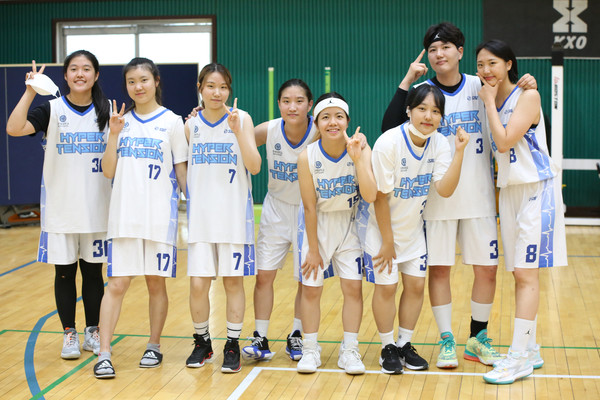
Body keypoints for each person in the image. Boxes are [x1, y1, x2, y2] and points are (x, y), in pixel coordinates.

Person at [381, 22, 536, 369]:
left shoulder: (481, 85)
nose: (439, 54)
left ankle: (477, 338)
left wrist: (527, 82)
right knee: (439, 271)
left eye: (446, 47)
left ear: (460, 51)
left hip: (479, 197)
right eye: (433, 49)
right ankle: (447, 340)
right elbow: (389, 128)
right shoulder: (422, 91)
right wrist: (407, 80)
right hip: (437, 200)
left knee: (487, 271)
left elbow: (515, 96)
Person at [6, 51, 111, 360]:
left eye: (86, 69)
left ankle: (93, 331)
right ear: (65, 76)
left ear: (96, 75)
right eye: (74, 69)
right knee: (64, 274)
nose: (80, 74)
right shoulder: (51, 109)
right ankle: (69, 334)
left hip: (97, 209)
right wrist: (29, 91)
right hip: (61, 210)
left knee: (93, 274)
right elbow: (14, 128)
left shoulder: (107, 110)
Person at [360, 84, 469, 374]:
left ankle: (404, 344)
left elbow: (445, 190)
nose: (428, 116)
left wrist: (459, 153)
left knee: (416, 286)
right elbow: (380, 197)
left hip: (412, 232)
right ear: (408, 110)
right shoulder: (388, 142)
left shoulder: (440, 143)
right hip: (382, 230)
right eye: (422, 109)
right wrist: (387, 242)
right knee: (387, 287)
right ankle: (387, 347)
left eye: (435, 111)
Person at [476, 39, 567, 384]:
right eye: (481, 65)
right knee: (518, 274)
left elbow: (503, 142)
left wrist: (488, 101)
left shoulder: (528, 96)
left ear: (509, 64)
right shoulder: (488, 97)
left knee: (527, 275)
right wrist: (488, 100)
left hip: (536, 190)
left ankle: (517, 358)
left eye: (493, 63)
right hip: (509, 191)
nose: (486, 70)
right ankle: (529, 348)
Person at [93, 57, 188, 379]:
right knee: (117, 284)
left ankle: (154, 345)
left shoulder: (172, 122)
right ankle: (104, 353)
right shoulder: (118, 121)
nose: (138, 86)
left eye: (144, 80)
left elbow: (180, 170)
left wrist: (194, 204)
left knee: (155, 283)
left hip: (159, 218)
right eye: (131, 81)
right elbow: (108, 171)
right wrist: (114, 134)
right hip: (124, 217)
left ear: (156, 81)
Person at [185, 63, 261, 373]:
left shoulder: (242, 118)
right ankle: (202, 341)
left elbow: (254, 166)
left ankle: (232, 344)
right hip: (201, 219)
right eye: (211, 86)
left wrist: (238, 131)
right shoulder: (190, 125)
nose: (217, 92)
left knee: (233, 282)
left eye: (223, 87)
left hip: (233, 217)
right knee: (198, 284)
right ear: (200, 88)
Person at [295, 92, 377, 375]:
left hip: (349, 226)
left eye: (339, 117)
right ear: (316, 123)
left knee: (353, 288)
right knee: (311, 290)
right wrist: (313, 249)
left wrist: (358, 159)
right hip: (317, 227)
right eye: (326, 117)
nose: (333, 122)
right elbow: (309, 207)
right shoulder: (306, 157)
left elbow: (371, 194)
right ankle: (310, 349)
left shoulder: (361, 148)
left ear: (348, 121)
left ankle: (350, 349)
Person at [242, 79, 317, 362]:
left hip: (308, 212)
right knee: (264, 275)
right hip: (275, 209)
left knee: (305, 279)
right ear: (279, 104)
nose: (292, 107)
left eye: (299, 101)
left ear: (310, 105)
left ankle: (296, 334)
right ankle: (260, 336)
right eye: (286, 101)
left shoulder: (320, 131)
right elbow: (236, 136)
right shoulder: (270, 129)